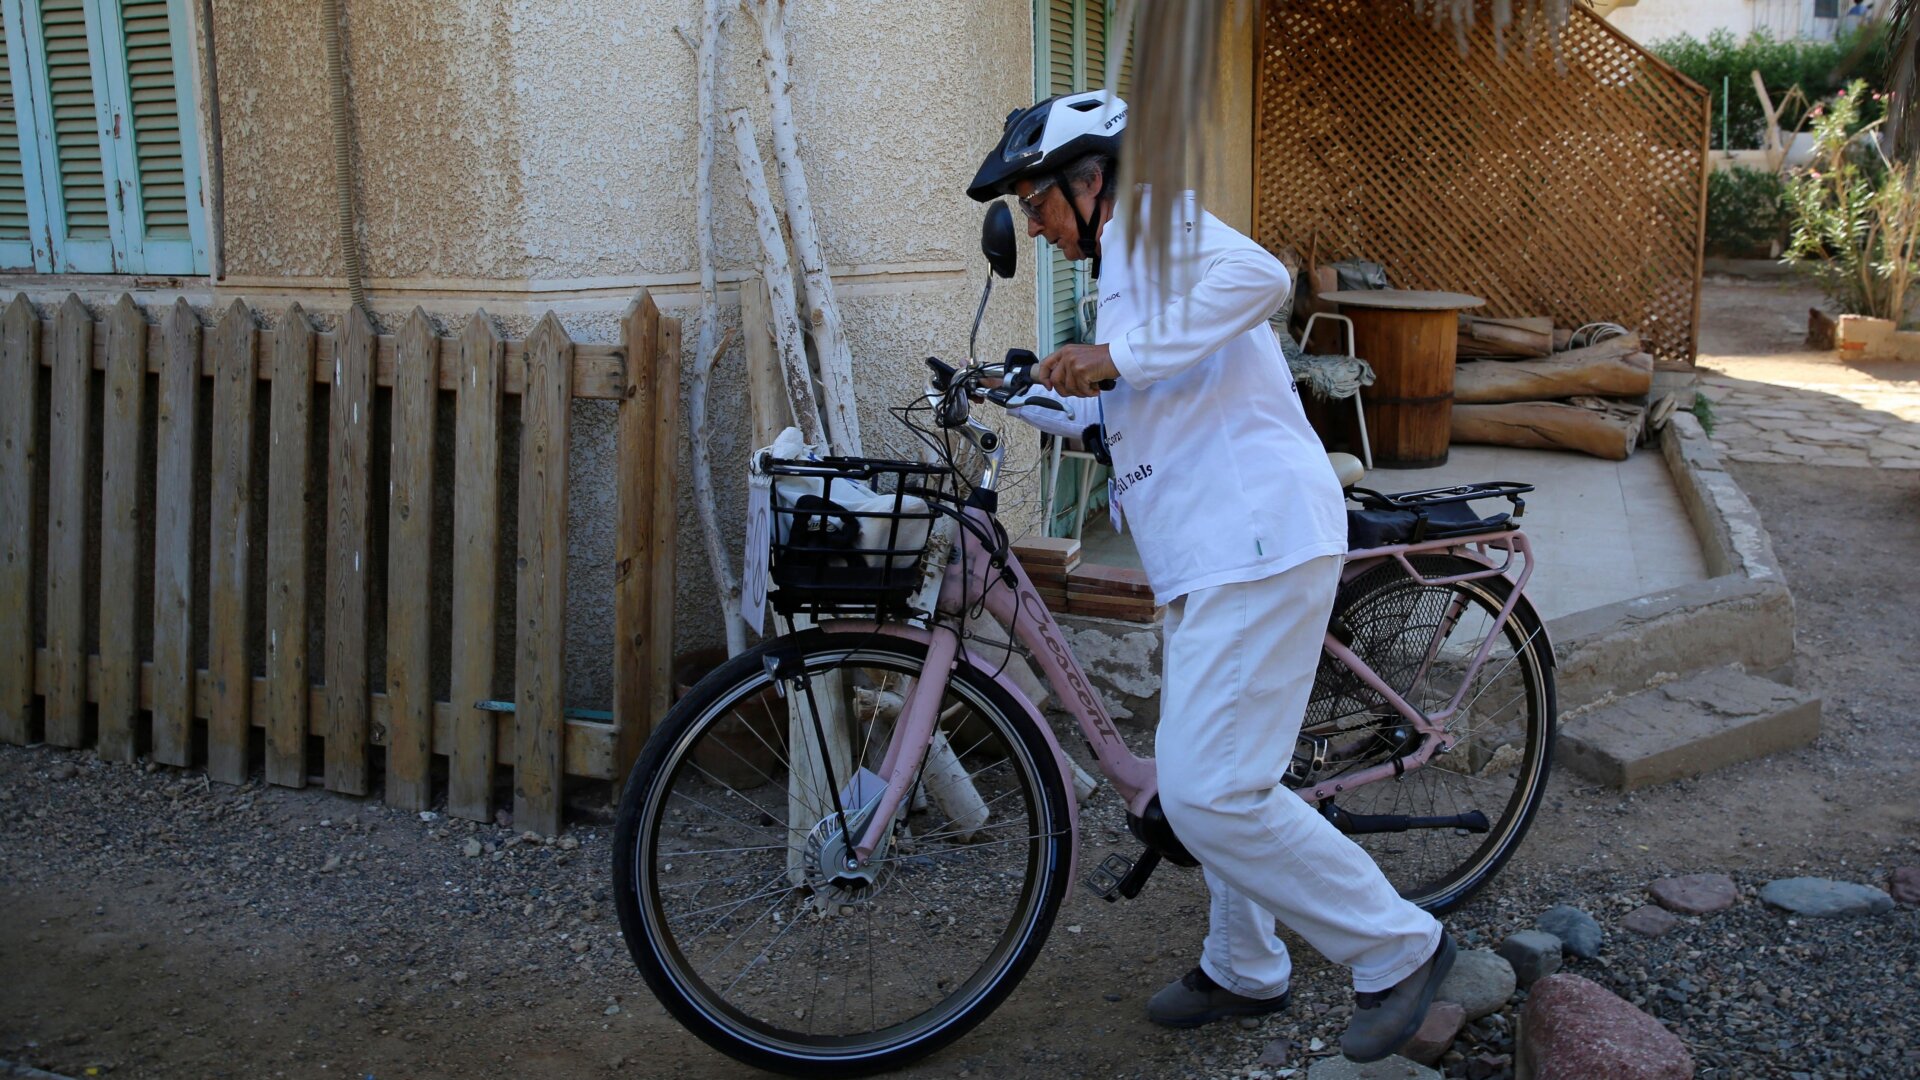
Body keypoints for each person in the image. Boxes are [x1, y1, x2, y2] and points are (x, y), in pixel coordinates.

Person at [966, 90, 1456, 1064]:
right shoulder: (1124, 276)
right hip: (1211, 553)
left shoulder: (1156, 229)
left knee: (1207, 793)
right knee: (1228, 772)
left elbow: (1262, 278)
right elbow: (1133, 406)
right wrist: (1026, 394)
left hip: (1257, 538)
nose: (1036, 224)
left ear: (1090, 178)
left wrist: (1114, 357)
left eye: (1039, 201)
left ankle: (1399, 948)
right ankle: (1244, 964)